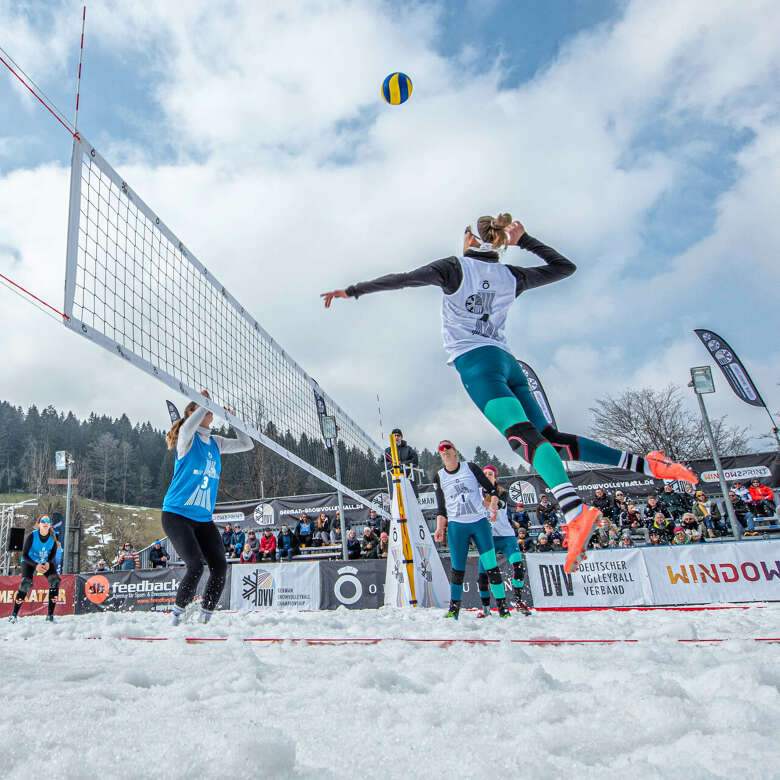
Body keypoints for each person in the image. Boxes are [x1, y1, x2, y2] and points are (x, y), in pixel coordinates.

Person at [322, 215, 697, 573]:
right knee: (550, 439)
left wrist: (352, 291)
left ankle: (574, 512)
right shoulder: (509, 274)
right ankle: (647, 465)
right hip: (506, 361)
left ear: (471, 238)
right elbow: (565, 268)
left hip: (476, 364)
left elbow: (402, 280)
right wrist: (525, 241)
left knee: (524, 440)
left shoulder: (455, 267)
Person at [163, 389, 254, 625]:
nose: (211, 414)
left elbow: (247, 444)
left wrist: (234, 421)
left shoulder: (216, 443)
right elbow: (186, 427)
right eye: (205, 411)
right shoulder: (187, 438)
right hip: (176, 515)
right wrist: (206, 403)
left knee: (220, 567)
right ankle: (176, 618)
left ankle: (205, 617)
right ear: (194, 412)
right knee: (195, 566)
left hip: (203, 519)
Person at [432, 440, 510, 619]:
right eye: (441, 449)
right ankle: (454, 610)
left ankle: (503, 608)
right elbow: (441, 508)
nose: (444, 450)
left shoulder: (470, 467)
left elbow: (491, 490)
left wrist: (494, 504)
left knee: (491, 566)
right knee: (457, 570)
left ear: (455, 451)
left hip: (479, 523)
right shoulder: (439, 477)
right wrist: (439, 528)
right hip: (457, 526)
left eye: (447, 447)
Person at [476, 464, 529, 617]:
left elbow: (500, 504)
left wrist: (486, 504)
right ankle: (486, 609)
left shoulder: (501, 492)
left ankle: (518, 600)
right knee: (482, 576)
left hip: (506, 537)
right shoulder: (476, 493)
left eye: (490, 474)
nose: (487, 476)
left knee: (518, 566)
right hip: (487, 538)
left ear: (495, 477)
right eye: (484, 473)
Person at [9, 516, 61, 623]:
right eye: (43, 521)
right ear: (39, 524)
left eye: (48, 521)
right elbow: (24, 554)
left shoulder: (54, 536)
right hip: (29, 561)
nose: (45, 523)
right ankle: (14, 615)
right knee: (26, 583)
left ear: (50, 524)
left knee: (55, 580)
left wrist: (48, 562)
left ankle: (50, 616)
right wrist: (36, 565)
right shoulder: (32, 535)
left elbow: (53, 554)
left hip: (44, 561)